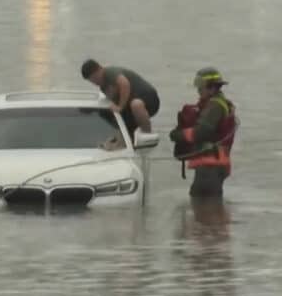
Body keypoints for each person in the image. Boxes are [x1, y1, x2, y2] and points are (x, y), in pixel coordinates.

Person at [168, 67, 237, 198]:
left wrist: (178, 135)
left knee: (203, 207)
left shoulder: (215, 106)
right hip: (212, 167)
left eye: (201, 86)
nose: (198, 90)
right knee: (207, 210)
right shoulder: (218, 103)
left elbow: (201, 133)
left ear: (212, 87)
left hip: (210, 168)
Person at [80, 59, 160, 140]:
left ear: (100, 69)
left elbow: (124, 84)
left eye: (95, 78)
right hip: (130, 106)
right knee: (122, 117)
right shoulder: (103, 87)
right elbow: (112, 102)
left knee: (136, 104)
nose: (95, 82)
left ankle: (146, 135)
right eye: (92, 81)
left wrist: (120, 107)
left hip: (149, 99)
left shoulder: (110, 72)